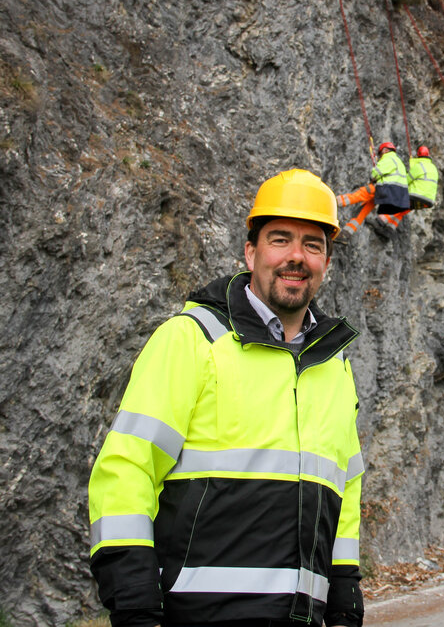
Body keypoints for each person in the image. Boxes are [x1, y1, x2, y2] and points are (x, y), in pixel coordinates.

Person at [88, 168, 365, 627]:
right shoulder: (193, 340)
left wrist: (344, 595)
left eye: (312, 244)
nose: (296, 256)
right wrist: (134, 601)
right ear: (250, 252)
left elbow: (345, 492)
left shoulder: (333, 365)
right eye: (280, 240)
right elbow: (126, 470)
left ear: (327, 263)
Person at [337, 141, 410, 235]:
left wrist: (373, 175)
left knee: (357, 195)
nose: (380, 156)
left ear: (385, 150)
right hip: (393, 195)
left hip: (385, 189)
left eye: (380, 154)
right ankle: (346, 234)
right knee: (363, 209)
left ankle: (331, 202)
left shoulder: (388, 158)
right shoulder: (400, 163)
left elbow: (376, 174)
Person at [379, 144, 439, 229]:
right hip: (428, 201)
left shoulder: (419, 166)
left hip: (416, 196)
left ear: (418, 155)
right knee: (405, 209)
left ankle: (382, 219)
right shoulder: (433, 168)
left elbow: (406, 180)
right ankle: (392, 227)